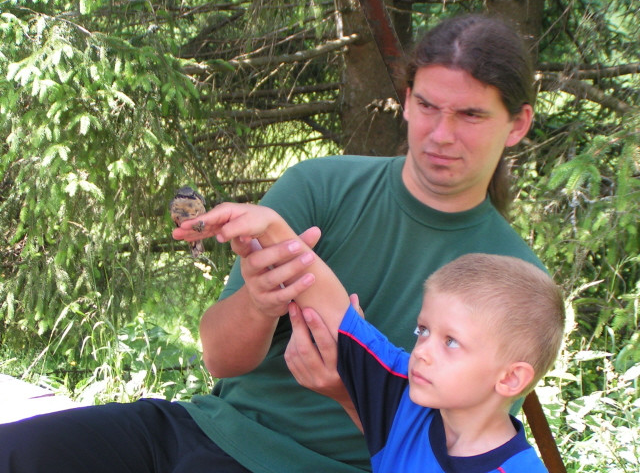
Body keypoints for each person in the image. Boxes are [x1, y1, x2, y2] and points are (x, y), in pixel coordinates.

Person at [0, 13, 542, 473]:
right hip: (210, 435)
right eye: (427, 106)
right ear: (405, 101)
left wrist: (344, 392)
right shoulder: (321, 186)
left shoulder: (516, 278)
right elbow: (220, 358)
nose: (441, 134)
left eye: (470, 114)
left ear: (517, 125)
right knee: (21, 451)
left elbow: (458, 448)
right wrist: (259, 304)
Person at [190, 201, 565, 472]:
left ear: (510, 378)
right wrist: (272, 227)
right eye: (423, 331)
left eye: (451, 342)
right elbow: (338, 316)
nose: (422, 352)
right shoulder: (406, 406)